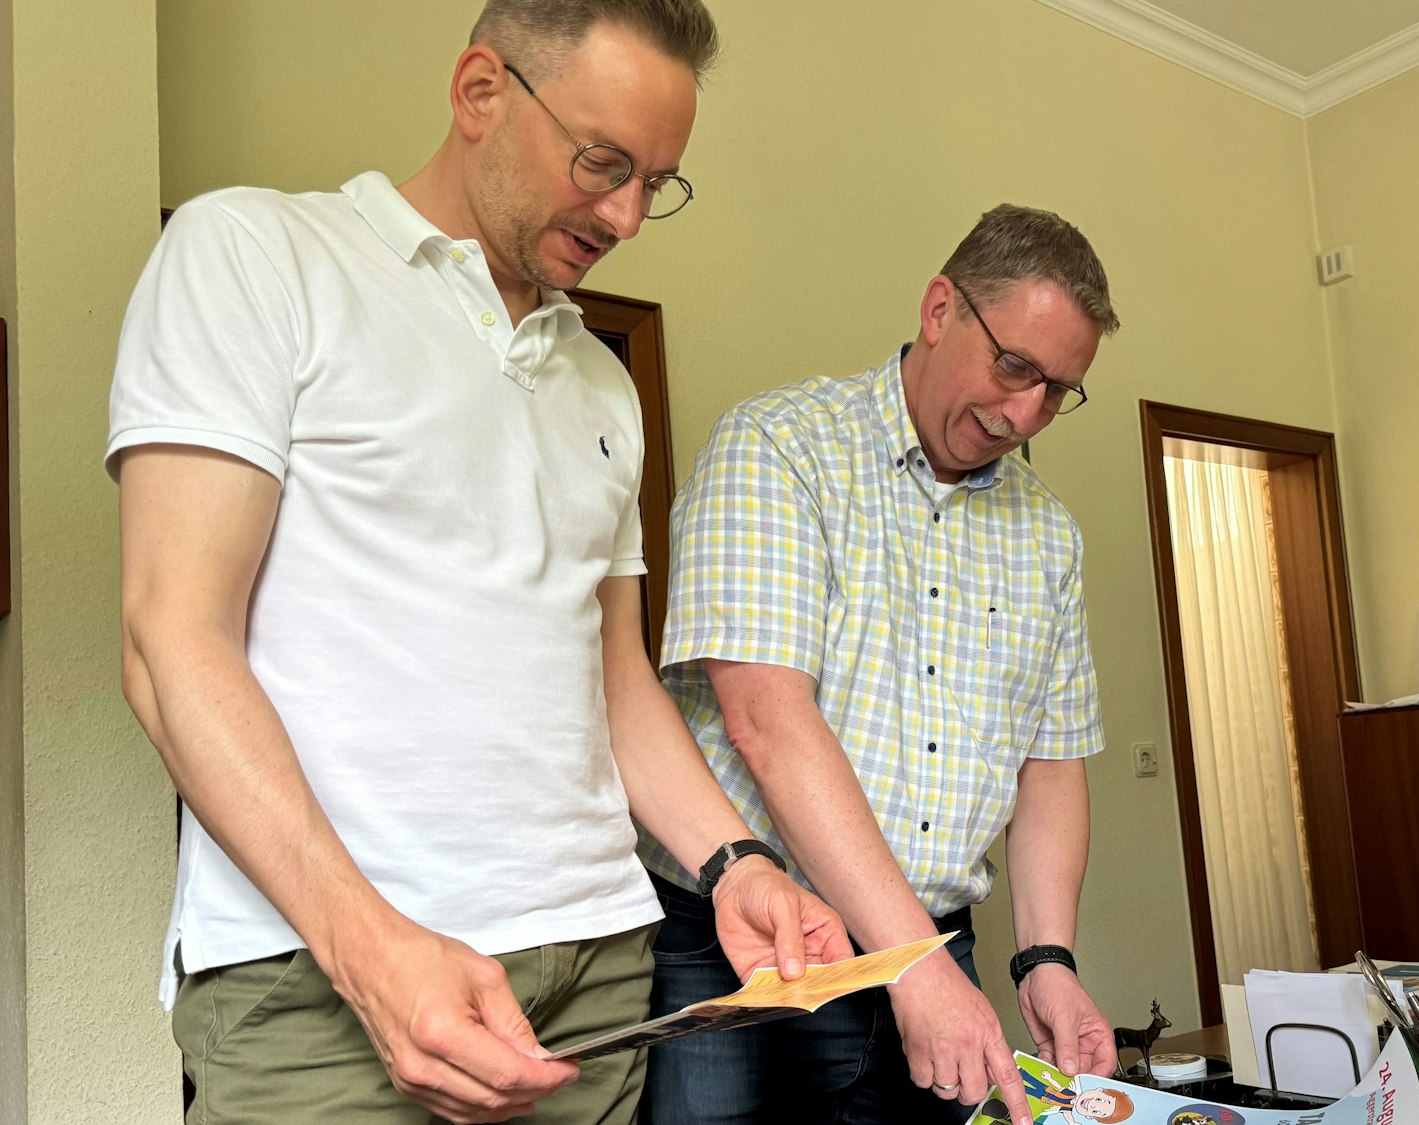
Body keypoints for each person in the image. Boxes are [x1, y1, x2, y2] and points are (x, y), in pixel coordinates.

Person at [109, 2, 849, 1122]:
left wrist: (736, 861)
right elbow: (171, 637)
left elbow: (615, 685)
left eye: (657, 181)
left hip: (598, 970)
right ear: (480, 91)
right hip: (322, 984)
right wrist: (369, 953)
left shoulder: (601, 383)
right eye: (603, 163)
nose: (627, 215)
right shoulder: (254, 253)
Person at [641, 204, 1122, 1125]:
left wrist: (1046, 958)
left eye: (1057, 390)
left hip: (941, 949)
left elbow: (1051, 764)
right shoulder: (779, 447)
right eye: (1014, 366)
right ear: (940, 309)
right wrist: (917, 966)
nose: (1025, 412)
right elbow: (767, 721)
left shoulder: (1049, 535)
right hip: (751, 947)